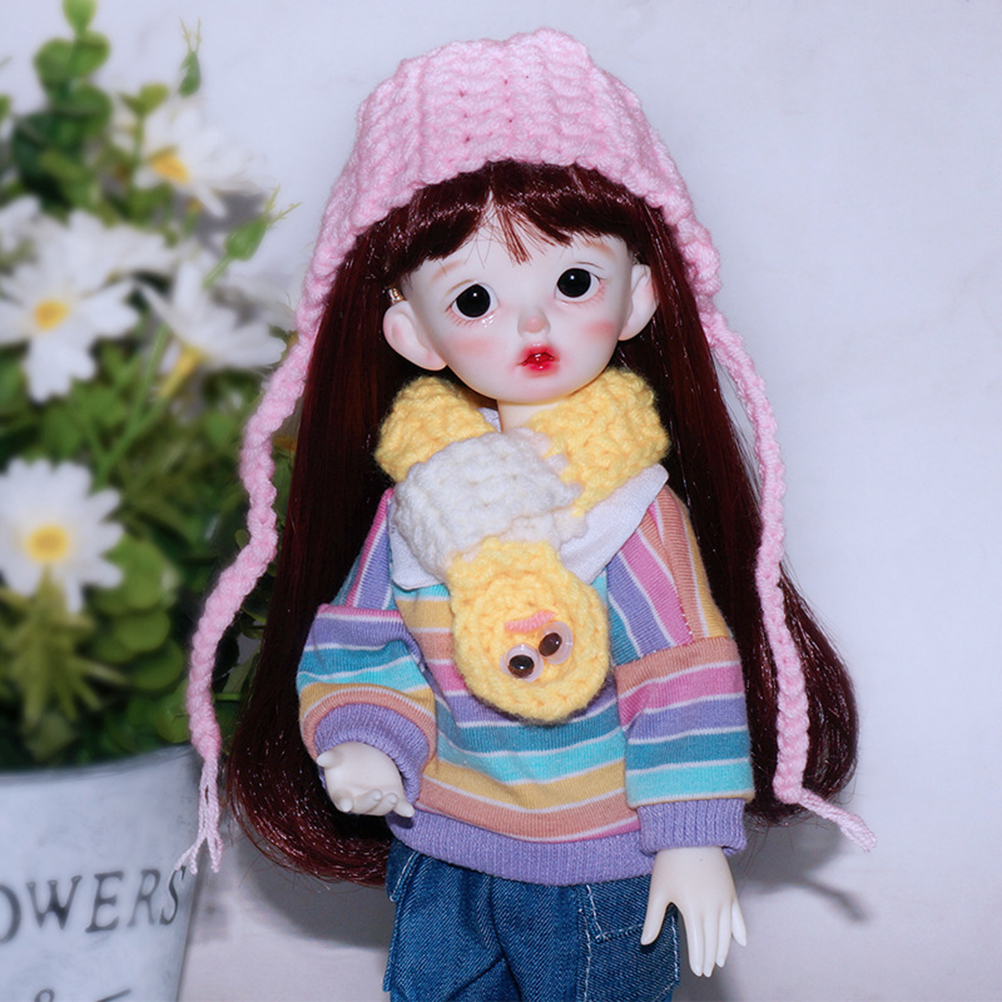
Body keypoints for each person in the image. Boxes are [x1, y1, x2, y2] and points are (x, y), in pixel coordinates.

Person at [182, 29, 873, 1002]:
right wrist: (366, 739)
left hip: (600, 871)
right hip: (441, 852)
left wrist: (688, 837)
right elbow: (364, 638)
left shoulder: (631, 510)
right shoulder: (419, 506)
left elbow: (683, 670)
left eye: (573, 281)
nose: (533, 324)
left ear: (639, 296)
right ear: (412, 331)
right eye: (475, 297)